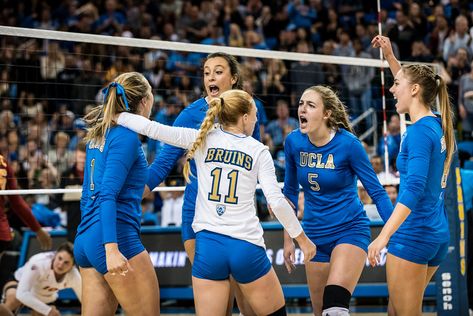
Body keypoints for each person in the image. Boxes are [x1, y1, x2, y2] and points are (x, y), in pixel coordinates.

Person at [117, 89, 316, 315]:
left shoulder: (202, 137)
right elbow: (278, 203)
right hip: (246, 246)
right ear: (244, 118)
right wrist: (302, 239)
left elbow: (150, 128)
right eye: (255, 115)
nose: (257, 120)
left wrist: (115, 115)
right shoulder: (258, 150)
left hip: (208, 248)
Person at [143, 52, 260, 315]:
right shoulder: (191, 113)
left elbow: (256, 158)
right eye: (207, 72)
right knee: (218, 304)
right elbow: (163, 163)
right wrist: (132, 193)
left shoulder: (249, 109)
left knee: (248, 302)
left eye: (218, 71)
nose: (211, 77)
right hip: (198, 214)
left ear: (234, 78)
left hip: (238, 215)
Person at [282, 85, 394, 316]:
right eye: (301, 103)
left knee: (334, 307)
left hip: (349, 230)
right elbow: (290, 194)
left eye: (311, 105)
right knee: (319, 310)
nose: (302, 109)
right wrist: (289, 238)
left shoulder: (349, 145)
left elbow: (377, 192)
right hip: (313, 236)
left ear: (326, 114)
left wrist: (391, 233)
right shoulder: (293, 142)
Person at [369, 35, 455, 315]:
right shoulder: (434, 122)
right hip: (435, 233)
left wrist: (383, 236)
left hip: (414, 235)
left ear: (415, 90)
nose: (392, 90)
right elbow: (410, 85)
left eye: (396, 85)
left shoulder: (419, 133)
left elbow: (414, 188)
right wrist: (392, 58)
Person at [73, 72, 160, 315]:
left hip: (87, 238)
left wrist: (170, 154)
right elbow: (108, 193)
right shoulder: (126, 137)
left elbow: (133, 189)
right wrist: (111, 249)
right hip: (114, 238)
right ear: (144, 101)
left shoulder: (101, 133)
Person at [0, 242, 81, 316]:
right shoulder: (38, 262)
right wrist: (47, 310)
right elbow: (21, 293)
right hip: (19, 284)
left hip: (44, 295)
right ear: (55, 254)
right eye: (59, 258)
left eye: (66, 262)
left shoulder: (74, 275)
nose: (60, 265)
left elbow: (85, 299)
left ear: (72, 266)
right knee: (13, 299)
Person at [0, 154, 51, 258]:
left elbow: (17, 202)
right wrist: (38, 230)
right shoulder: (3, 163)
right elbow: (17, 203)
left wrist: (38, 229)